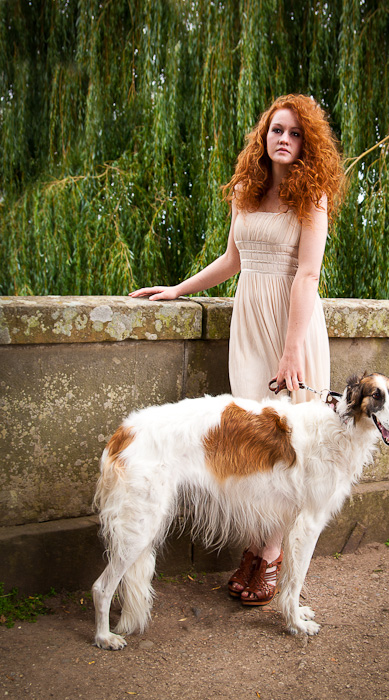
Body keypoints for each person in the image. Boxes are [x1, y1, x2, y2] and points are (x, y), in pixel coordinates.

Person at [129, 94, 344, 606]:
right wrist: (178, 289)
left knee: (287, 445)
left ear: (307, 143)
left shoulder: (312, 197)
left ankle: (269, 555)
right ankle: (256, 544)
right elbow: (232, 260)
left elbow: (307, 275)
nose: (284, 139)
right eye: (277, 130)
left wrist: (291, 352)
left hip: (292, 326)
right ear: (264, 137)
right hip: (249, 324)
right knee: (254, 441)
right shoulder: (246, 191)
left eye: (295, 133)